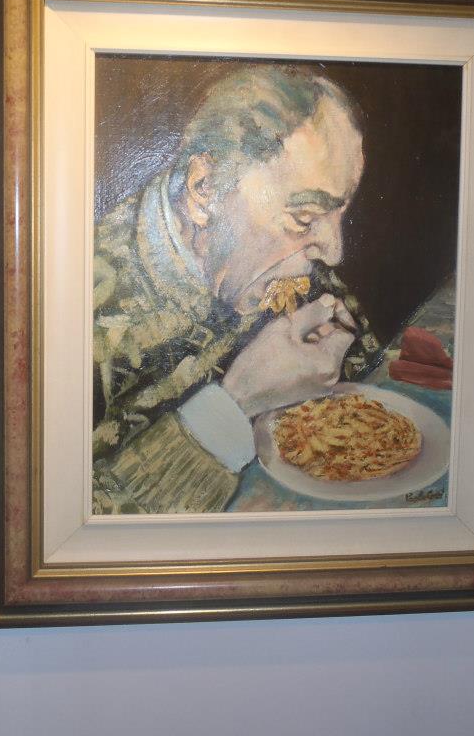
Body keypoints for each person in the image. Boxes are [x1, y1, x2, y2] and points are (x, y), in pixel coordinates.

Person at [91, 64, 381, 513]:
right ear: (204, 188)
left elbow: (368, 379)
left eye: (338, 213)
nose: (335, 251)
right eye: (304, 217)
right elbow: (79, 523)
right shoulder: (76, 309)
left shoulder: (292, 265)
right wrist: (236, 401)